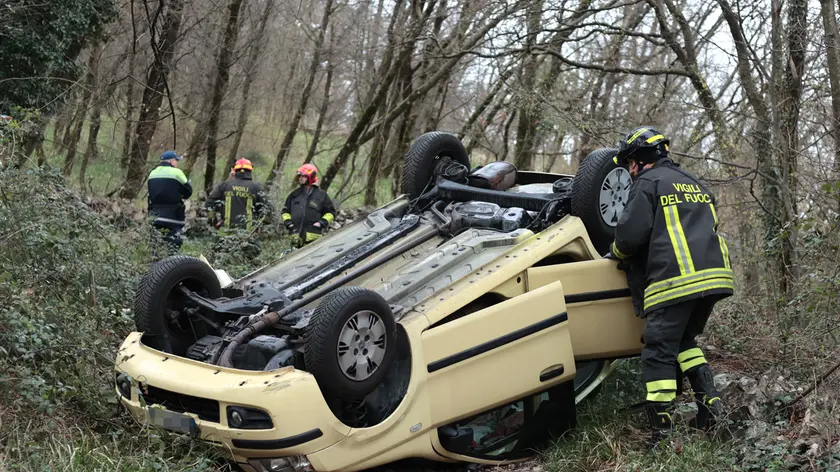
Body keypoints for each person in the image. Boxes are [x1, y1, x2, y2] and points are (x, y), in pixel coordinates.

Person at [605, 126, 734, 446]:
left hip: (676, 280)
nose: (630, 170)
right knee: (683, 341)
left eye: (629, 163)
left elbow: (629, 237)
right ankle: (711, 409)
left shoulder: (648, 183)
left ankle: (661, 434)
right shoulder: (695, 183)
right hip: (715, 277)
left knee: (657, 351)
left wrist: (615, 253)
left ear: (638, 160)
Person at [206, 158, 271, 231]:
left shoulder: (224, 186)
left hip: (225, 233)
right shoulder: (256, 187)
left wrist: (213, 220)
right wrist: (261, 227)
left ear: (235, 170)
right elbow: (267, 209)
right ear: (250, 171)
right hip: (249, 234)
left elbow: (209, 203)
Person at [281, 163, 336, 247]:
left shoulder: (321, 195)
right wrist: (288, 223)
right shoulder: (294, 195)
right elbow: (285, 212)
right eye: (300, 176)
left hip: (313, 240)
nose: (300, 178)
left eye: (303, 176)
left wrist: (321, 223)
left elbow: (331, 213)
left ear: (311, 177)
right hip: (295, 238)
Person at [147, 150, 192, 252]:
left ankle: (156, 266)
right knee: (172, 247)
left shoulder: (152, 173)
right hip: (173, 217)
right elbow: (188, 191)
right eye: (177, 161)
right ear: (171, 161)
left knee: (156, 246)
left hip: (154, 216)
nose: (177, 163)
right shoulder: (177, 173)